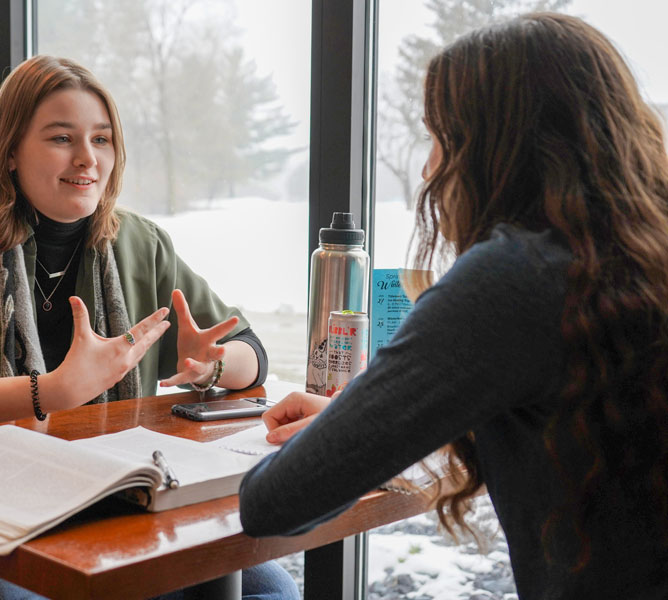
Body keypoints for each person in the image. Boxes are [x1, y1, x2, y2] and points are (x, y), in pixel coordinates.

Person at [239, 12, 668, 600]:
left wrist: (360, 419)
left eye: (439, 137)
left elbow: (273, 501)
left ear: (493, 150)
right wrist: (377, 417)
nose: (427, 169)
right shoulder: (638, 257)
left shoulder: (510, 278)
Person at [0, 55, 297, 599]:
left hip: (99, 493)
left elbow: (250, 353)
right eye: (62, 138)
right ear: (9, 150)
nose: (88, 159)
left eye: (102, 140)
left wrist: (217, 362)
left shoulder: (138, 243)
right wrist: (52, 392)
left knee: (267, 589)